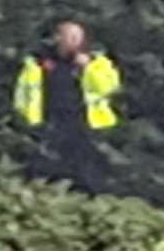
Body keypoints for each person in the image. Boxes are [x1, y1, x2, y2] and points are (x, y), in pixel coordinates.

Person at [14, 20, 121, 194]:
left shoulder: (97, 61)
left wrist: (88, 68)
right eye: (69, 37)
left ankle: (89, 196)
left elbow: (109, 88)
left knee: (85, 165)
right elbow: (24, 91)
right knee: (44, 163)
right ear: (58, 38)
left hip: (85, 122)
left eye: (77, 37)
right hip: (49, 120)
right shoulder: (39, 61)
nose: (74, 41)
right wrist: (24, 117)